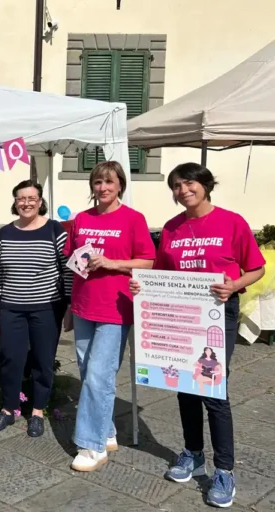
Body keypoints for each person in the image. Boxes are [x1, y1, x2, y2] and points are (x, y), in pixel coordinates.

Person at [130, 163, 264, 508]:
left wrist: (234, 285)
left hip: (219, 313)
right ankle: (192, 452)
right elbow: (160, 274)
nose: (182, 190)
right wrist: (140, 285)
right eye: (175, 185)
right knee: (185, 387)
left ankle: (224, 469)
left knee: (213, 388)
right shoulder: (172, 228)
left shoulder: (232, 221)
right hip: (181, 315)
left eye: (189, 182)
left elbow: (256, 267)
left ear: (205, 185)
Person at [64, 161, 155, 472]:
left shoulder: (133, 219)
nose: (102, 187)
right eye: (97, 182)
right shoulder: (81, 219)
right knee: (91, 372)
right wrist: (69, 306)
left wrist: (112, 264)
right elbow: (73, 263)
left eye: (108, 182)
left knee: (97, 376)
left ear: (120, 185)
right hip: (83, 304)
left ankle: (91, 446)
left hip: (116, 307)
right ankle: (108, 430)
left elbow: (147, 261)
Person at [0, 180, 72, 436]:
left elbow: (68, 271)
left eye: (31, 198)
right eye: (21, 199)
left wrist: (68, 306)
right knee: (11, 359)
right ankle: (9, 409)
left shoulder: (55, 230)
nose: (26, 203)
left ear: (40, 201)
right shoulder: (5, 233)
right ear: (15, 202)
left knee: (43, 361)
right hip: (12, 308)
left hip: (46, 309)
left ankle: (37, 411)